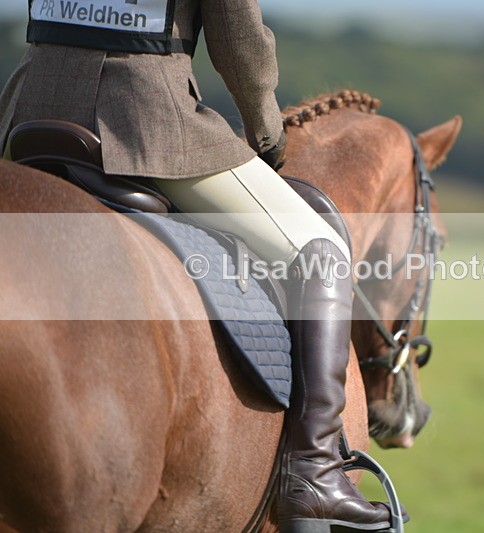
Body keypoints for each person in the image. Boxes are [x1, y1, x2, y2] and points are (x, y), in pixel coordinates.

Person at [0, 0, 392, 530]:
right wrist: (266, 131)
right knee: (318, 250)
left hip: (29, 114)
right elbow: (240, 44)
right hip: (147, 124)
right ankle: (315, 471)